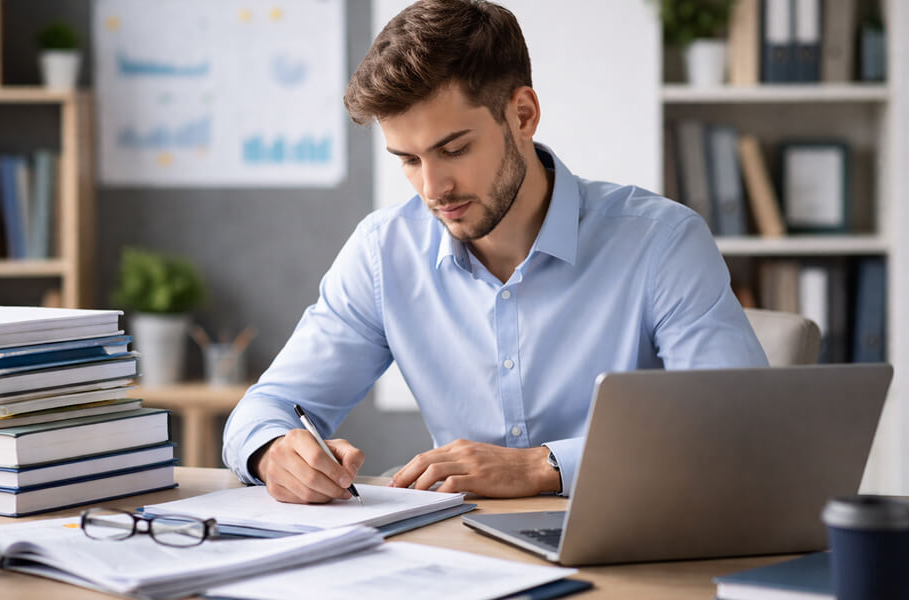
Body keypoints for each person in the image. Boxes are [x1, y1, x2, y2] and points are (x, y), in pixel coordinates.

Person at [223, 0, 768, 503]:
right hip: (468, 556)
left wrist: (543, 466)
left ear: (523, 115)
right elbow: (265, 407)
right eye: (408, 160)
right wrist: (274, 452)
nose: (432, 188)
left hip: (635, 545)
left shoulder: (662, 242)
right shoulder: (383, 253)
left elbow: (739, 424)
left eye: (453, 149)